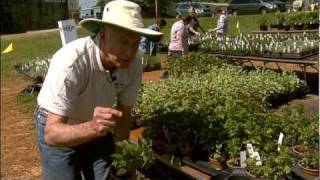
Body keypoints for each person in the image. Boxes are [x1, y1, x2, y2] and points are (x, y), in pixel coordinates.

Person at [34, 0, 162, 179]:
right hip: (60, 125)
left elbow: (124, 112)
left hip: (97, 126)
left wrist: (122, 154)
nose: (130, 52)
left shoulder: (134, 63)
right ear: (103, 35)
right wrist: (93, 127)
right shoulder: (72, 62)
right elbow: (52, 134)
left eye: (135, 43)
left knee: (109, 175)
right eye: (124, 42)